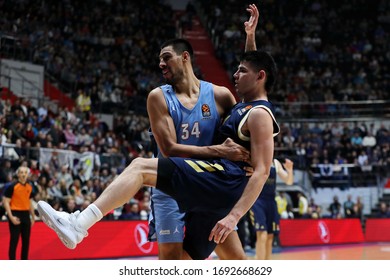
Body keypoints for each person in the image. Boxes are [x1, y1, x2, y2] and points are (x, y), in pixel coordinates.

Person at [37, 49, 279, 260]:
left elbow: (262, 170)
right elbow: (257, 65)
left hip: (222, 182)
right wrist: (250, 38)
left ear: (260, 77)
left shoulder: (259, 114)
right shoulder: (245, 105)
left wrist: (234, 217)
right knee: (194, 265)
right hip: (218, 192)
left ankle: (79, 225)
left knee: (141, 167)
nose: (235, 75)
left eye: (242, 71)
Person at [147, 4, 259, 260]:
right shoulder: (159, 97)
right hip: (172, 188)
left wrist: (250, 40)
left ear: (185, 57)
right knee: (172, 264)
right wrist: (221, 151)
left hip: (207, 185)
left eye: (166, 57)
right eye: (160, 59)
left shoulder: (219, 95)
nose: (160, 63)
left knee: (238, 263)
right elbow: (169, 150)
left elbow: (250, 103)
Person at [250, 158, 294, 260]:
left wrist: (289, 170)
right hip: (257, 201)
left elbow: (289, 181)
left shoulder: (275, 162)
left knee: (270, 237)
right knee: (262, 234)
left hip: (271, 202)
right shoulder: (255, 159)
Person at [2, 166, 36, 259]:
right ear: (18, 174)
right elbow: (6, 202)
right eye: (21, 172)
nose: (23, 174)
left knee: (26, 241)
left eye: (25, 172)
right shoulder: (12, 186)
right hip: (15, 213)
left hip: (26, 215)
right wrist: (11, 217)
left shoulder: (29, 186)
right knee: (14, 241)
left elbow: (29, 203)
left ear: (28, 174)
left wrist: (33, 217)